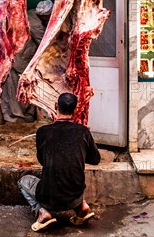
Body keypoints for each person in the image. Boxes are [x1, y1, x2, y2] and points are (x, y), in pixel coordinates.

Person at [18, 92, 101, 232]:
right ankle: (81, 208)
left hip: (49, 197)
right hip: (75, 194)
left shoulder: (43, 132)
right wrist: (78, 153)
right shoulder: (83, 132)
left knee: (23, 181)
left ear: (56, 106)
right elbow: (95, 160)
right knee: (73, 180)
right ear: (75, 110)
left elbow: (42, 161)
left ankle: (42, 212)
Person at [0, 0, 53, 122]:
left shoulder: (32, 13)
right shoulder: (35, 21)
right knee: (15, 87)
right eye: (48, 17)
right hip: (20, 58)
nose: (48, 19)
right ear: (44, 15)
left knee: (14, 86)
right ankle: (15, 116)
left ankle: (11, 114)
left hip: (21, 56)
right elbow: (44, 41)